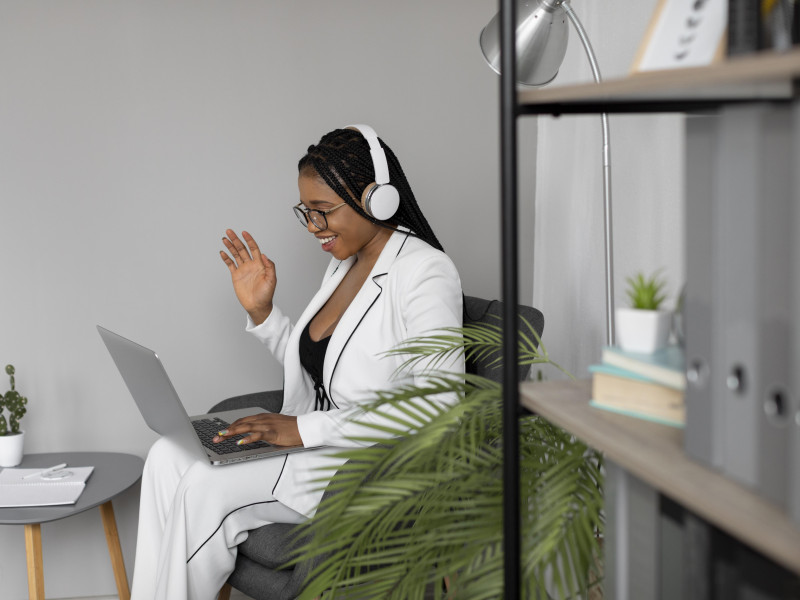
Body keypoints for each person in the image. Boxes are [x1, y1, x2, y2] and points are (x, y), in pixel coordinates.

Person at [129, 125, 464, 599]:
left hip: (360, 463)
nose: (313, 227)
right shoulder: (344, 265)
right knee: (167, 456)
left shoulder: (425, 272)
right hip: (311, 446)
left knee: (204, 487)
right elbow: (321, 364)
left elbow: (439, 407)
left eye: (324, 212)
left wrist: (302, 431)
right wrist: (262, 313)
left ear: (377, 199)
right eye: (306, 212)